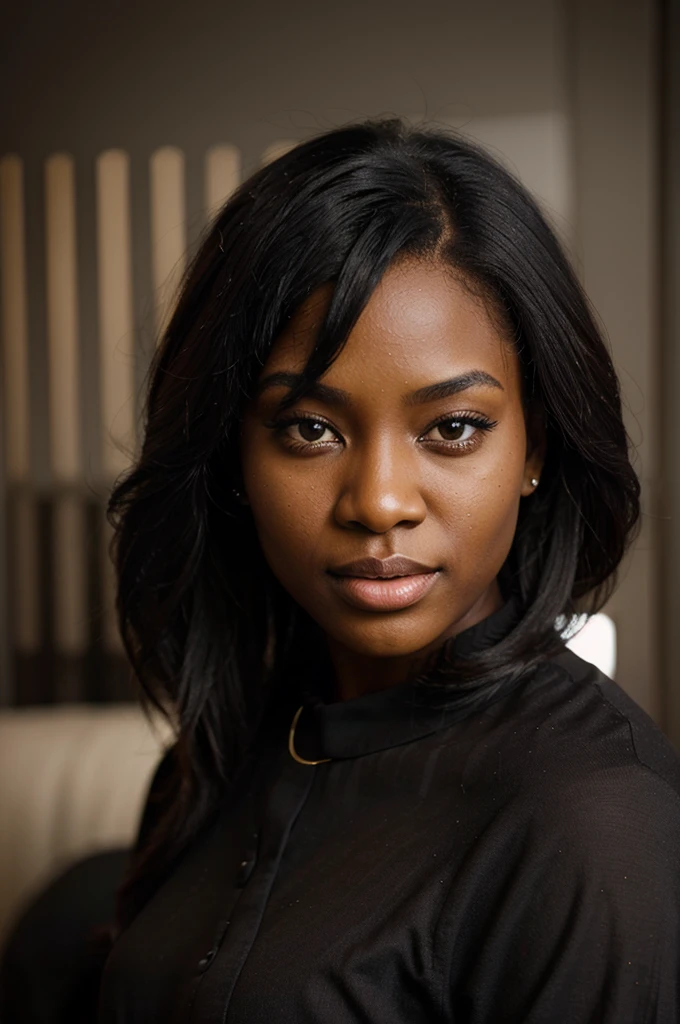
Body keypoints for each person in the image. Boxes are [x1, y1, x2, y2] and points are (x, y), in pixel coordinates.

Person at [93, 118, 679, 1022]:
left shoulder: (594, 821)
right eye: (310, 429)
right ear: (233, 460)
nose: (377, 501)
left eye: (452, 430)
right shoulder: (222, 752)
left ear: (536, 448)